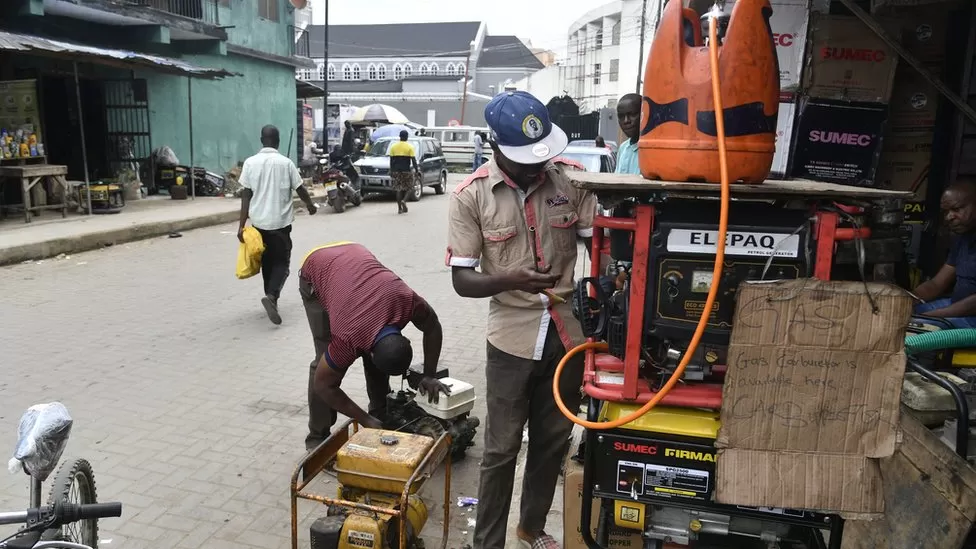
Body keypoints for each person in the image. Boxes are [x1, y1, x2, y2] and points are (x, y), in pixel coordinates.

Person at [446, 90, 596, 549]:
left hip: (569, 336)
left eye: (542, 157)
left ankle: (530, 528)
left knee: (553, 442)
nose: (537, 168)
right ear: (495, 147)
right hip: (510, 340)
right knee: (500, 450)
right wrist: (510, 277)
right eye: (525, 160)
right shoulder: (471, 197)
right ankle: (486, 543)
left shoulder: (571, 182)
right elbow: (463, 282)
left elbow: (603, 251)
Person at [299, 241, 449, 450]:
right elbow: (324, 385)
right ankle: (317, 438)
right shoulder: (346, 338)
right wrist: (362, 419)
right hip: (316, 267)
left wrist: (429, 375)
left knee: (377, 357)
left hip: (352, 252)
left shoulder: (406, 300)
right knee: (322, 363)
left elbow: (433, 326)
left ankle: (380, 412)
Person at [238, 125, 317, 325]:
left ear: (261, 139)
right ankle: (272, 297)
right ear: (278, 141)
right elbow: (300, 188)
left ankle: (270, 295)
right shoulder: (286, 163)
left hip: (258, 225)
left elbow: (245, 196)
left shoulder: (250, 163)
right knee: (281, 263)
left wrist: (241, 225)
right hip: (280, 224)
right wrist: (310, 206)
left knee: (267, 262)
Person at [913, 181, 976, 328]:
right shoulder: (963, 238)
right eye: (946, 212)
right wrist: (907, 299)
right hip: (955, 306)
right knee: (899, 313)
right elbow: (936, 284)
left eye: (956, 209)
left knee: (911, 326)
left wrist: (925, 317)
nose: (948, 217)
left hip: (971, 317)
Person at [389, 130, 419, 214]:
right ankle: (404, 201)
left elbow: (391, 161)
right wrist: (416, 170)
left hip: (396, 171)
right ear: (407, 137)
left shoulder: (393, 147)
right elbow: (413, 160)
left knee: (398, 189)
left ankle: (399, 209)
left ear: (399, 136)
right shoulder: (410, 147)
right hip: (406, 171)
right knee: (410, 188)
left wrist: (391, 170)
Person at [615, 93, 642, 175]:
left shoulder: (652, 150)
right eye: (621, 116)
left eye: (632, 114)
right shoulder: (623, 148)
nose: (626, 121)